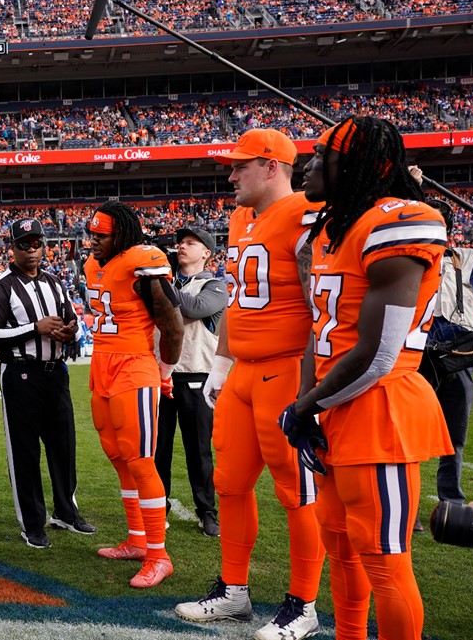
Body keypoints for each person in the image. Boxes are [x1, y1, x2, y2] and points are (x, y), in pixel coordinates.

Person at [282, 116, 451, 640]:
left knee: (383, 558)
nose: (308, 165)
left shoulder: (400, 220)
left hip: (379, 408)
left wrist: (306, 407)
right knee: (339, 544)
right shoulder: (336, 227)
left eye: (322, 156)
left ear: (360, 166)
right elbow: (321, 330)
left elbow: (380, 352)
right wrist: (308, 400)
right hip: (335, 403)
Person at [175, 128, 326, 640]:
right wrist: (221, 365)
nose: (231, 174)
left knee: (297, 491)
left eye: (241, 166)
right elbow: (238, 303)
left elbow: (317, 307)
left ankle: (303, 603)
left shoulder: (307, 214)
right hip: (241, 371)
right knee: (230, 482)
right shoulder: (242, 217)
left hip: (287, 370)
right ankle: (233, 591)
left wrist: (311, 388)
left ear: (271, 167)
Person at [84, 202, 183, 589]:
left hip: (134, 366)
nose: (93, 241)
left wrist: (164, 372)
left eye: (102, 235)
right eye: (92, 233)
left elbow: (172, 325)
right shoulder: (94, 265)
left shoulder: (144, 260)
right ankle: (137, 541)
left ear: (122, 234)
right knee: (117, 455)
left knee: (141, 459)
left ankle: (160, 555)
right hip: (102, 364)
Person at [0, 218, 95, 549]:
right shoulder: (2, 286)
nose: (31, 250)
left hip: (55, 372)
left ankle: (66, 511)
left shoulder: (55, 283)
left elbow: (70, 319)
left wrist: (70, 331)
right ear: (12, 248)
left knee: (64, 445)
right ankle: (32, 522)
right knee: (25, 451)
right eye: (24, 244)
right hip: (21, 374)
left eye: (37, 243)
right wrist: (36, 327)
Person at [413, 195, 473, 508]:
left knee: (455, 432)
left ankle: (451, 500)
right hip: (416, 350)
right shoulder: (408, 253)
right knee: (409, 431)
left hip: (457, 354)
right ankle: (411, 502)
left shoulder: (467, 256)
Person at [155, 227, 224, 537]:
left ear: (206, 252)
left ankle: (207, 511)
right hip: (160, 375)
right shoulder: (168, 281)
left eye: (190, 243)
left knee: (199, 450)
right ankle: (158, 507)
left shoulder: (214, 285)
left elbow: (193, 308)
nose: (181, 246)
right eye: (180, 242)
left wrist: (160, 281)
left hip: (196, 375)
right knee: (158, 449)